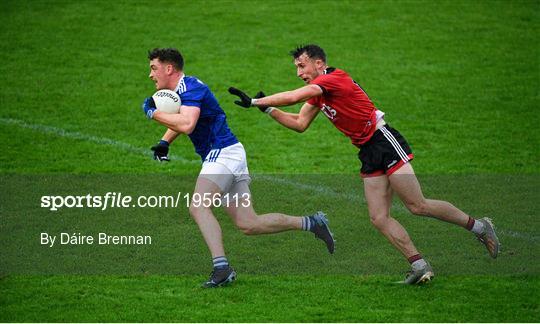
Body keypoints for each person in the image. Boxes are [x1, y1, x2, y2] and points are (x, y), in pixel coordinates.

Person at [229, 44, 500, 284]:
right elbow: (299, 124)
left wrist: (256, 101)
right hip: (368, 152)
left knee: (417, 205)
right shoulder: (319, 94)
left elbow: (295, 95)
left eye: (302, 65)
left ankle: (479, 227)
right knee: (379, 217)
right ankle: (419, 265)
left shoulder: (334, 79)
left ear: (319, 63)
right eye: (297, 68)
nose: (299, 72)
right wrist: (268, 110)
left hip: (383, 140)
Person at [140, 48, 335, 288]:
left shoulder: (191, 88)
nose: (151, 75)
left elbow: (188, 124)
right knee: (249, 223)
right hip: (230, 154)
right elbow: (185, 119)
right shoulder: (184, 90)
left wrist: (153, 112)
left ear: (169, 68)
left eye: (153, 68)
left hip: (222, 155)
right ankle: (312, 222)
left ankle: (221, 268)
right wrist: (164, 143)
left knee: (198, 207)